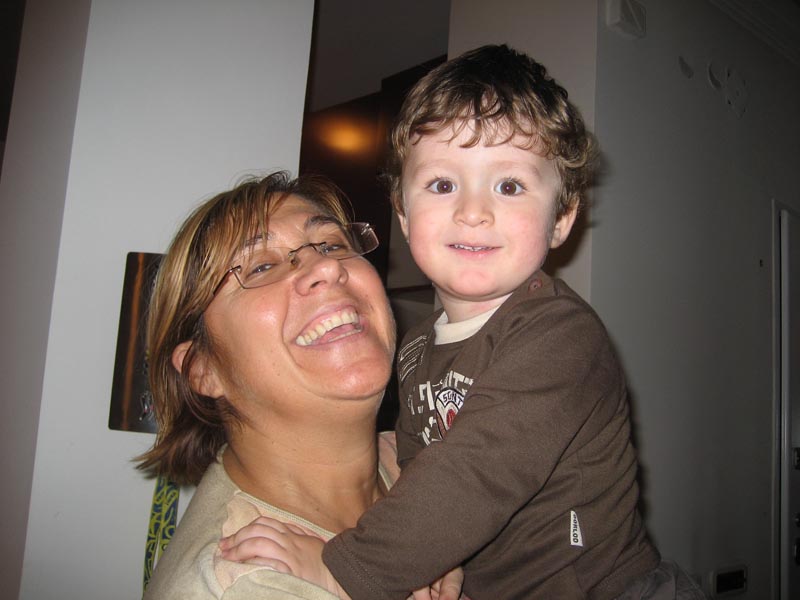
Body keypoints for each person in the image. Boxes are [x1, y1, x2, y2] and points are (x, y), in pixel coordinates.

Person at [223, 45, 707, 599]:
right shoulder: (414, 348)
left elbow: (475, 474)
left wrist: (346, 569)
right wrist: (439, 558)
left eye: (509, 186)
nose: (472, 212)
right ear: (404, 214)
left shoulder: (560, 337)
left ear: (561, 218)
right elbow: (424, 465)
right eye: (443, 185)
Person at [136, 171, 463, 599]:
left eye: (332, 245)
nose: (327, 266)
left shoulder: (435, 462)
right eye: (262, 266)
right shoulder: (247, 585)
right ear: (203, 368)